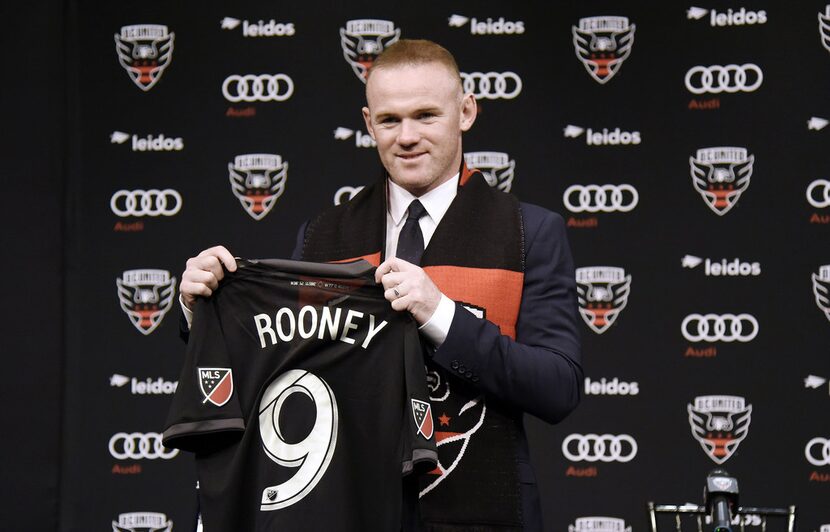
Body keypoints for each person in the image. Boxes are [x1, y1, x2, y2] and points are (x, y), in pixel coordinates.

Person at [179, 39, 582, 531]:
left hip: (484, 511)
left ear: (467, 112)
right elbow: (278, 373)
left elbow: (557, 387)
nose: (407, 136)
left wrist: (440, 315)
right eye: (390, 120)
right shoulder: (321, 236)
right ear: (369, 124)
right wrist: (207, 314)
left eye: (426, 115)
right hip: (346, 510)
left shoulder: (530, 232)